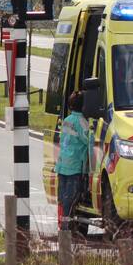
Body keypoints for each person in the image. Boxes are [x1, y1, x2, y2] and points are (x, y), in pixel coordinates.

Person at [55, 91, 91, 230]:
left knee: (63, 199)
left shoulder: (67, 120)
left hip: (62, 164)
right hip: (74, 167)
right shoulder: (82, 122)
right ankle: (66, 229)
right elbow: (89, 140)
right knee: (71, 199)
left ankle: (63, 226)